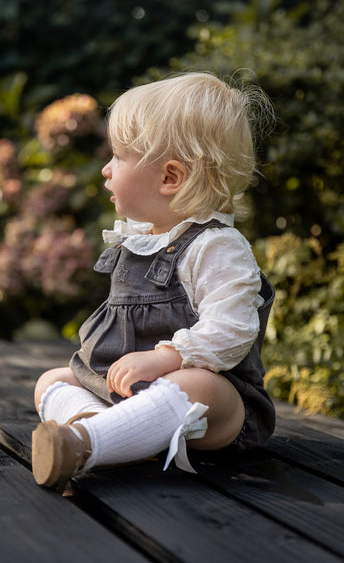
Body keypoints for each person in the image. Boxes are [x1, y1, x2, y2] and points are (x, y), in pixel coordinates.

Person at [32, 72, 276, 491]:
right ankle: (98, 430)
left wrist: (168, 359)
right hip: (127, 391)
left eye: (119, 157)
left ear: (170, 178)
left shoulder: (216, 246)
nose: (107, 170)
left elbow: (233, 328)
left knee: (199, 384)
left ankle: (89, 442)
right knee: (54, 379)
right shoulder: (140, 240)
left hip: (213, 414)